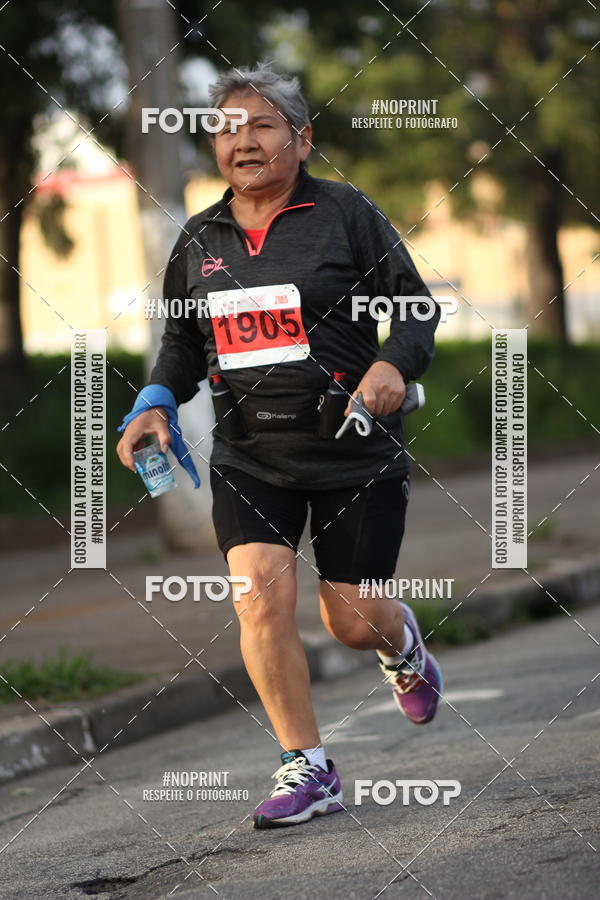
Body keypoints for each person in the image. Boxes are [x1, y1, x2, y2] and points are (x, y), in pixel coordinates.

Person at [117, 62, 442, 830]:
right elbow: (182, 344)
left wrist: (393, 363)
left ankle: (401, 647)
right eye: (229, 129)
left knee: (352, 621)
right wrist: (155, 400)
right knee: (260, 598)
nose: (244, 141)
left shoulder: (345, 213)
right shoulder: (202, 236)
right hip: (250, 454)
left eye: (262, 125)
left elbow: (417, 310)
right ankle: (310, 764)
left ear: (302, 138)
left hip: (352, 449)